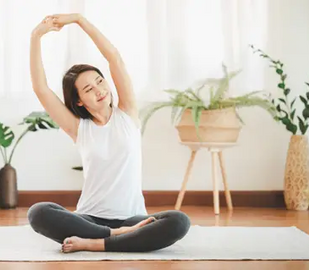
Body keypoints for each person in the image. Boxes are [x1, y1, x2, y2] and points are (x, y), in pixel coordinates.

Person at [28, 13, 191, 253]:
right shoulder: (79, 128)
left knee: (179, 222)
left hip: (133, 220)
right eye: (88, 89)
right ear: (80, 101)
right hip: (89, 219)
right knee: (38, 212)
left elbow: (114, 57)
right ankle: (114, 237)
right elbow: (41, 89)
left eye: (100, 81)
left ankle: (95, 243)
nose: (99, 90)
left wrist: (79, 20)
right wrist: (36, 36)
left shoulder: (127, 114)